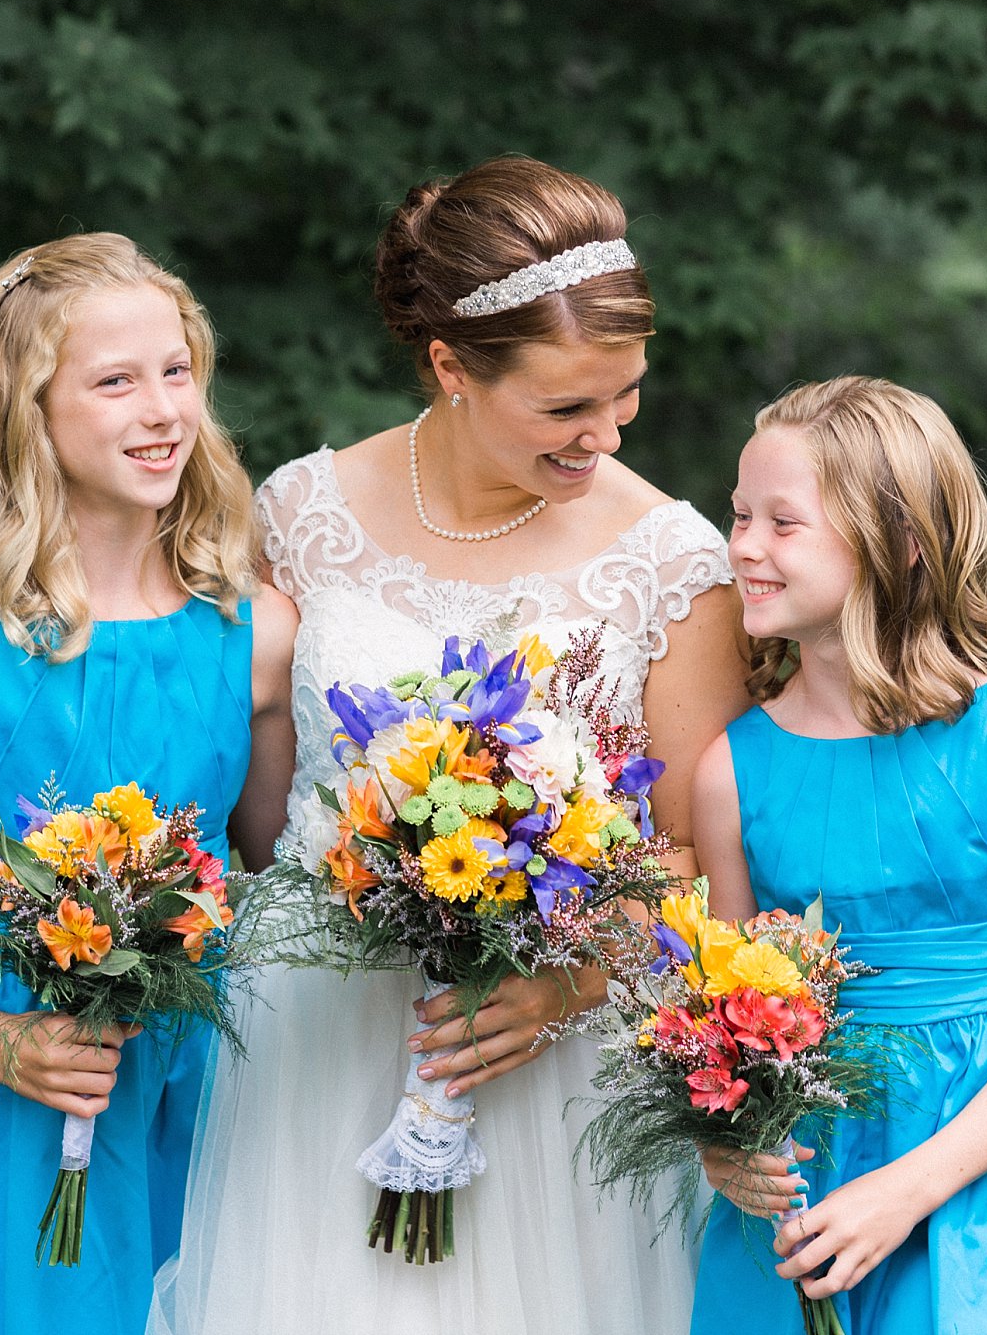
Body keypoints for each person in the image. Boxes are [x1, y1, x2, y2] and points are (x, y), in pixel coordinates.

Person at [153, 156, 752, 1333]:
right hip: (313, 1048)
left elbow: (693, 856)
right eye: (565, 407)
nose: (605, 435)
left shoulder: (671, 561)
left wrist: (561, 984)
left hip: (554, 1060)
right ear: (448, 367)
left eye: (624, 395)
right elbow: (243, 796)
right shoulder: (301, 514)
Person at [0, 233, 296, 1335]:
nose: (162, 408)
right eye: (115, 381)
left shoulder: (256, 638)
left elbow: (278, 872)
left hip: (193, 1090)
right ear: (31, 410)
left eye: (176, 371)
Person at [690, 377, 987, 1333]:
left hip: (974, 1185)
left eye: (783, 523)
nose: (744, 546)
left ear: (900, 541)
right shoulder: (733, 773)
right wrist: (724, 1148)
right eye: (739, 514)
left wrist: (905, 1192)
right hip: (797, 1196)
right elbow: (721, 1023)